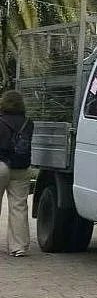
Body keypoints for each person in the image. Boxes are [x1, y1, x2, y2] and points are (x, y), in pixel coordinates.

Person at [0, 90, 33, 258]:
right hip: (21, 167)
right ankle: (18, 247)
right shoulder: (28, 122)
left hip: (1, 164)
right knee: (19, 207)